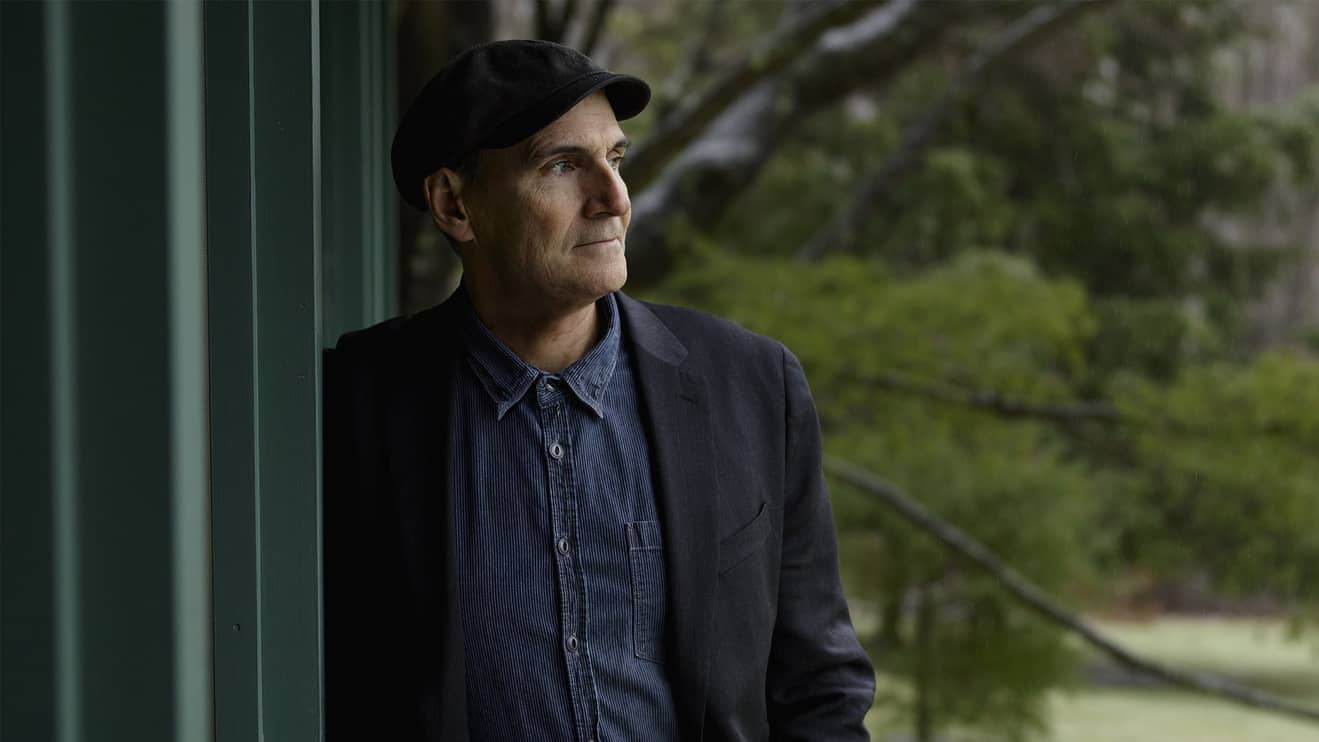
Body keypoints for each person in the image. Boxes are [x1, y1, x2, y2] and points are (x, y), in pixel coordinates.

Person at [323, 39, 875, 742]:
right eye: (561, 166)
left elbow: (820, 688)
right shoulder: (355, 402)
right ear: (455, 204)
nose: (614, 199)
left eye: (615, 159)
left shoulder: (754, 384)